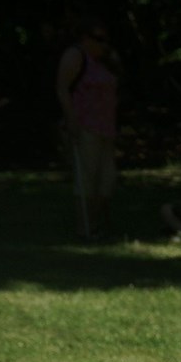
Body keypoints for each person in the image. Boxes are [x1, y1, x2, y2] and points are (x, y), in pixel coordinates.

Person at [56, 17, 119, 239]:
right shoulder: (75, 56)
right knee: (87, 179)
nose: (104, 44)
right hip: (85, 127)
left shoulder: (105, 61)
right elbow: (63, 89)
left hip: (106, 127)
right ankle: (85, 228)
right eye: (98, 39)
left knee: (107, 180)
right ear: (85, 38)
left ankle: (98, 223)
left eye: (106, 40)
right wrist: (71, 120)